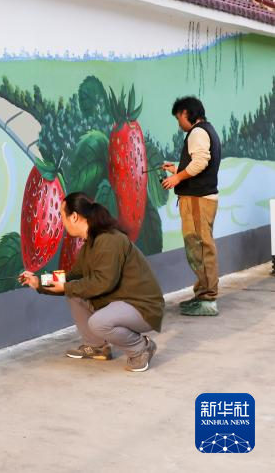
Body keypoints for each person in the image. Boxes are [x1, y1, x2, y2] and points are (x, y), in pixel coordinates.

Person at [20, 193, 164, 373]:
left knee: (98, 322)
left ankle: (140, 348)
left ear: (74, 216)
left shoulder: (109, 240)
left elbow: (103, 282)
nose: (61, 222)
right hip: (122, 301)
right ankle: (97, 347)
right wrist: (38, 282)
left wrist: (66, 287)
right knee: (74, 293)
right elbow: (72, 277)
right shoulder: (91, 243)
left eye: (62, 216)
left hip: (143, 307)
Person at [161, 96, 221, 317]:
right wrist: (177, 170)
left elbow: (200, 162)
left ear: (187, 113)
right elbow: (199, 164)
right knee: (199, 247)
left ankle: (208, 299)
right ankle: (203, 294)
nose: (179, 124)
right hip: (201, 198)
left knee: (200, 248)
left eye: (179, 118)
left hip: (198, 200)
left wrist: (177, 178)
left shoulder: (197, 132)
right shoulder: (207, 130)